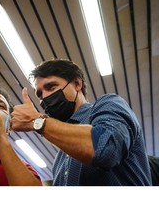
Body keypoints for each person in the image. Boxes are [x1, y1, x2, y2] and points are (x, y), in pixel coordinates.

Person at [11, 59, 152, 186]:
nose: (45, 98)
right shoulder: (59, 161)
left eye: (51, 87)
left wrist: (36, 121)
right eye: (40, 94)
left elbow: (107, 148)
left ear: (77, 84)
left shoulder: (109, 104)